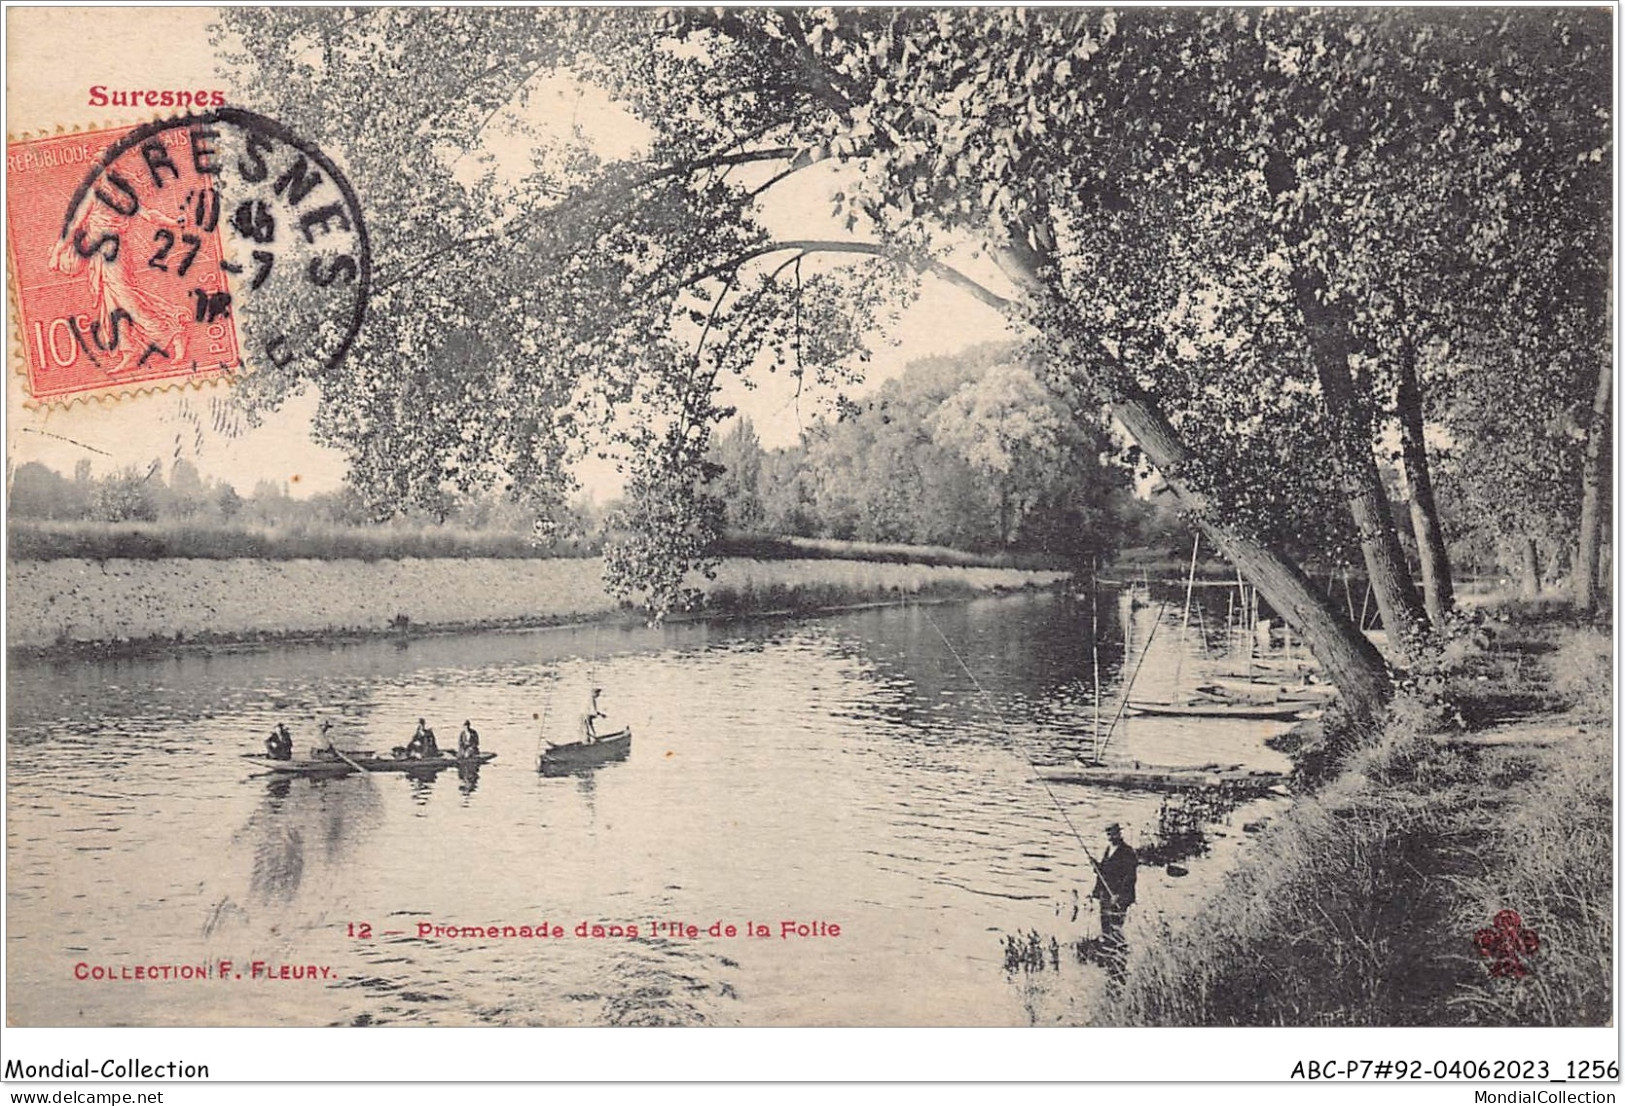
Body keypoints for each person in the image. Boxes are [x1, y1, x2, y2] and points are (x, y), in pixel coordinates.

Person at [1091, 822, 1139, 980]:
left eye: (1114, 834)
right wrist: (1096, 866)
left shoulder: (1128, 852)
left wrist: (1119, 895)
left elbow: (1130, 877)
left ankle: (1119, 962)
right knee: (1105, 925)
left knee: (1116, 925)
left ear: (1120, 834)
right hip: (1105, 894)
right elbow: (1105, 872)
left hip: (1119, 897)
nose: (1111, 837)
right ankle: (1110, 959)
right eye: (1109, 834)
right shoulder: (1108, 849)